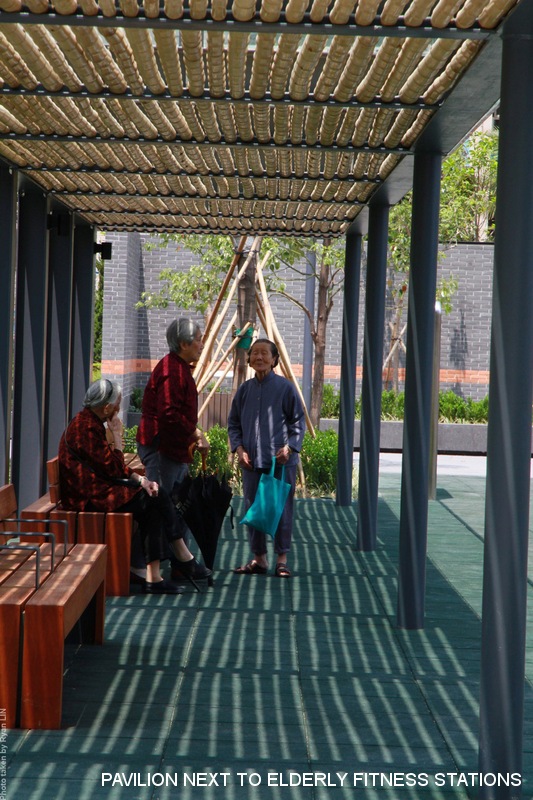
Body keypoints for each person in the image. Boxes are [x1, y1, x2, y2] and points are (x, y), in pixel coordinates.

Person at [58, 379, 211, 594]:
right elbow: (113, 468)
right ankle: (179, 560)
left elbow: (110, 468)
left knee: (155, 496)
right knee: (156, 499)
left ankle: (157, 574)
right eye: (118, 403)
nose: (119, 408)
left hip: (92, 490)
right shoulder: (86, 428)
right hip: (88, 498)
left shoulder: (88, 422)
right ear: (107, 407)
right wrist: (119, 438)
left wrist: (143, 481)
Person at [228, 338, 305, 578]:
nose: (259, 357)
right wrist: (239, 450)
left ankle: (281, 559)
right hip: (251, 461)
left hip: (280, 461)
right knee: (253, 509)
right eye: (255, 354)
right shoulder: (244, 390)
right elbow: (233, 424)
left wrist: (290, 448)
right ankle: (259, 559)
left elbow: (298, 422)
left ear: (274, 360)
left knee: (280, 507)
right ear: (249, 359)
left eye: (265, 354)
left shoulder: (286, 388)